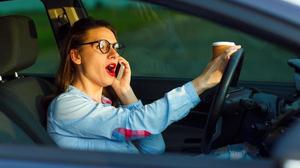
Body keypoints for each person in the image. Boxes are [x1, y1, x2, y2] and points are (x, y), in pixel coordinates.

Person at [47, 17, 241, 154]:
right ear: (76, 56)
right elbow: (139, 123)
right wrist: (202, 83)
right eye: (103, 46)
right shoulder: (67, 106)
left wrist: (124, 91)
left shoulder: (105, 104)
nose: (114, 54)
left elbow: (153, 148)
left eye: (115, 47)